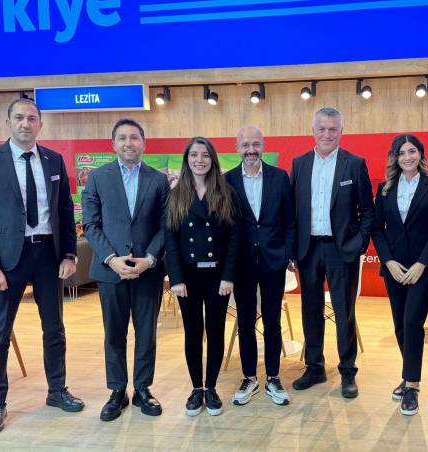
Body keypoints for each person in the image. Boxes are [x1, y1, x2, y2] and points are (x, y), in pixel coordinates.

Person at [0, 98, 83, 435]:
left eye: (32, 118)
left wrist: (69, 254)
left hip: (48, 254)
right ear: (8, 122)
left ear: (40, 124)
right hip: (7, 260)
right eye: (19, 118)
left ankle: (57, 390)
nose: (25, 124)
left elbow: (64, 210)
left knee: (55, 328)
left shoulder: (53, 159)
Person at [82, 118, 169, 422]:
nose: (128, 143)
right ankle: (117, 391)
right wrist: (111, 258)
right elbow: (90, 224)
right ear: (113, 144)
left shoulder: (158, 180)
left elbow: (166, 226)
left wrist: (150, 259)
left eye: (134, 137)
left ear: (143, 143)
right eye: (122, 138)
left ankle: (143, 389)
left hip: (148, 272)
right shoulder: (97, 177)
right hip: (110, 272)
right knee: (114, 334)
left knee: (146, 334)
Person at [290, 107, 374, 398]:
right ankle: (314, 367)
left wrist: (360, 243)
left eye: (333, 129)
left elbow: (367, 210)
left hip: (342, 250)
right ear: (313, 131)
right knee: (310, 311)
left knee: (344, 311)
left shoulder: (355, 164)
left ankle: (348, 371)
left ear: (341, 131)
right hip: (308, 248)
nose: (327, 134)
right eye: (322, 129)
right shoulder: (299, 164)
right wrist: (292, 248)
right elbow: (292, 209)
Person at [371, 134, 428, 415]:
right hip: (394, 267)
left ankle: (412, 386)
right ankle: (408, 375)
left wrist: (422, 264)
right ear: (395, 157)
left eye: (412, 151)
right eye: (402, 153)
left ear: (420, 154)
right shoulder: (384, 189)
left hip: (421, 268)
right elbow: (376, 228)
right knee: (400, 326)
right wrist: (388, 261)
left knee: (413, 322)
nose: (407, 157)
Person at [165, 137, 240, 416]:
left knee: (216, 330)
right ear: (187, 160)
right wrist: (176, 278)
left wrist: (229, 275)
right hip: (188, 278)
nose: (200, 160)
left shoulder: (226, 193)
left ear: (213, 160)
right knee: (193, 332)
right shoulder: (176, 195)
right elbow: (171, 240)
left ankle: (212, 387)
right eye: (194, 155)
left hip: (218, 276)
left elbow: (234, 238)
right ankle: (197, 388)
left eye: (205, 155)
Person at [224, 125, 295, 406]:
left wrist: (288, 254)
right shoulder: (227, 180)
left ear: (263, 146)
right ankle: (250, 377)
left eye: (255, 144)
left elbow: (289, 220)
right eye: (245, 145)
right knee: (245, 322)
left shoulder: (280, 177)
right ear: (237, 148)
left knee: (272, 321)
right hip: (241, 263)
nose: (251, 150)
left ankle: (273, 377)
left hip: (273, 261)